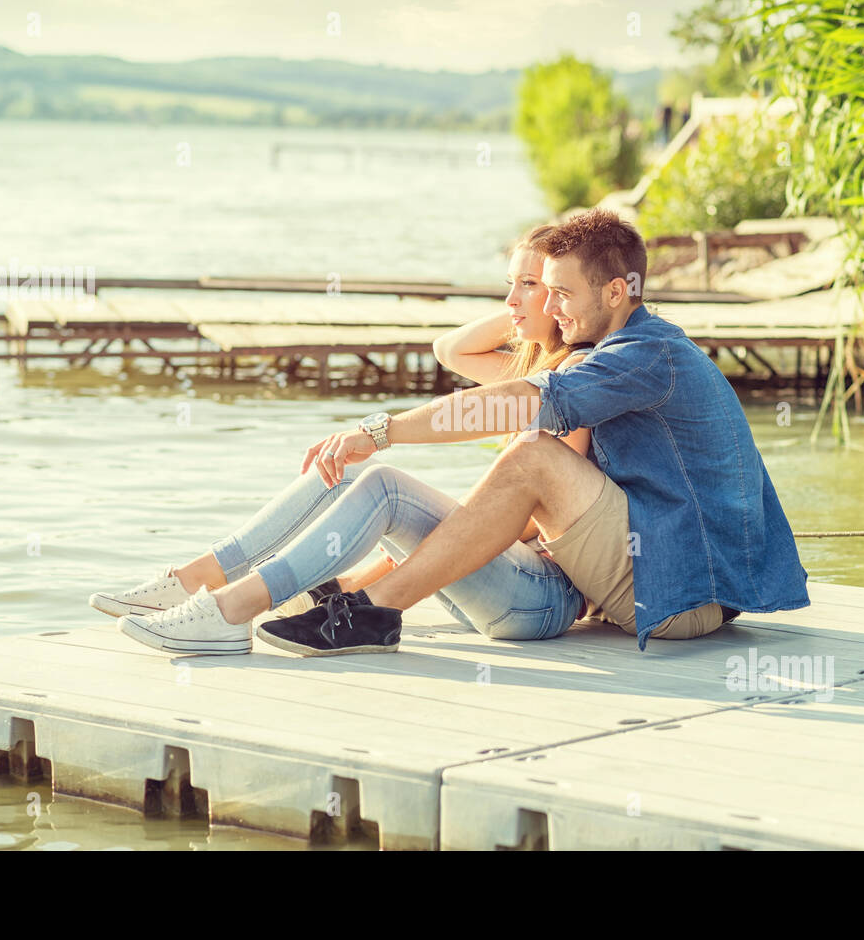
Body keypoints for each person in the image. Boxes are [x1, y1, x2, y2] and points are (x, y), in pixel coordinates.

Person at [247, 208, 810, 656]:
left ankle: (373, 613)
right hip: (679, 583)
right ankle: (350, 599)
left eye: (561, 293)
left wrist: (382, 430)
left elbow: (519, 404)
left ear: (616, 292)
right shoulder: (628, 348)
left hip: (683, 595)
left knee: (535, 455)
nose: (552, 308)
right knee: (507, 464)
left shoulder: (643, 354)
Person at [90, 226, 594, 655]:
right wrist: (522, 308)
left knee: (387, 487)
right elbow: (450, 349)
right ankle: (199, 578)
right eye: (510, 284)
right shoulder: (528, 371)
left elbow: (535, 519)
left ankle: (226, 611)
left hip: (539, 597)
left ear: (561, 293)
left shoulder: (573, 382)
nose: (511, 299)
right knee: (345, 470)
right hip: (497, 582)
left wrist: (541, 298)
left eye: (530, 285)